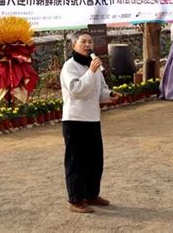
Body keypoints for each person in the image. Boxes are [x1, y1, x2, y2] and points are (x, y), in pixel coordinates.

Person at [60, 31, 121, 213]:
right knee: (76, 161)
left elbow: (100, 90)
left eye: (90, 42)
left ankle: (91, 194)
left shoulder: (93, 65)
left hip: (93, 118)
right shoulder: (69, 67)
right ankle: (76, 199)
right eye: (83, 42)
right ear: (74, 45)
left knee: (95, 160)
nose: (88, 45)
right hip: (75, 119)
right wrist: (91, 72)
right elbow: (76, 89)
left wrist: (109, 95)